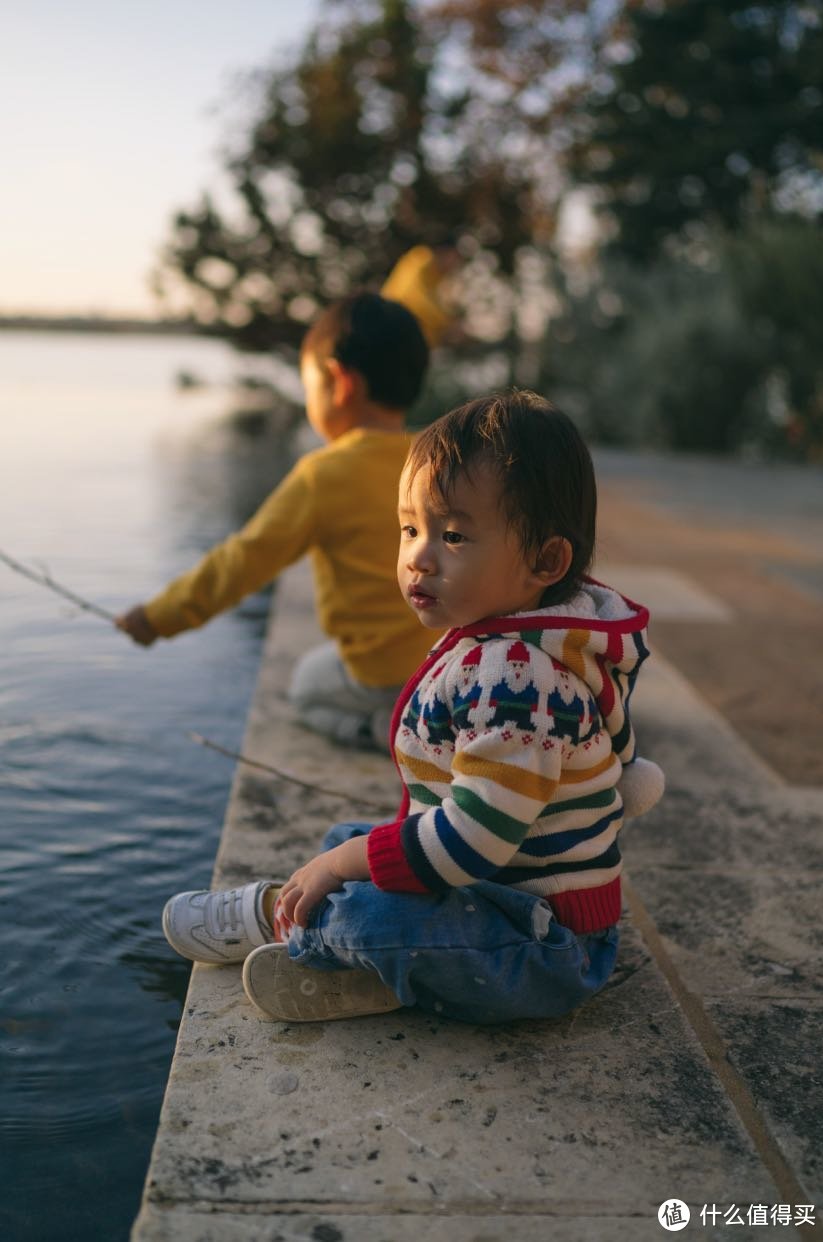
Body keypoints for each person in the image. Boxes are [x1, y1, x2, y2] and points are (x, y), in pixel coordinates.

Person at [162, 390, 665, 1024]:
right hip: (503, 901)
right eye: (409, 528)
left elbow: (473, 843)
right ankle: (371, 959)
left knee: (360, 896)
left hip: (544, 946)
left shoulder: (521, 680)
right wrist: (348, 856)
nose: (417, 556)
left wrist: (344, 867)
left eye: (452, 535)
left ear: (545, 560)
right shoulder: (511, 637)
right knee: (349, 841)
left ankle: (303, 930)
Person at [117, 293, 435, 751]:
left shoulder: (322, 476)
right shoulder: (434, 458)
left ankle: (389, 732)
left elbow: (243, 561)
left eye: (310, 388)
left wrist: (157, 617)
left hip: (380, 673)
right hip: (444, 659)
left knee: (307, 686)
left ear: (338, 381)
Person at [381, 240, 462, 347]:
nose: (455, 264)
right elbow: (417, 300)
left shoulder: (435, 273)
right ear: (444, 252)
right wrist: (446, 323)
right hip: (393, 326)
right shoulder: (422, 258)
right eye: (454, 257)